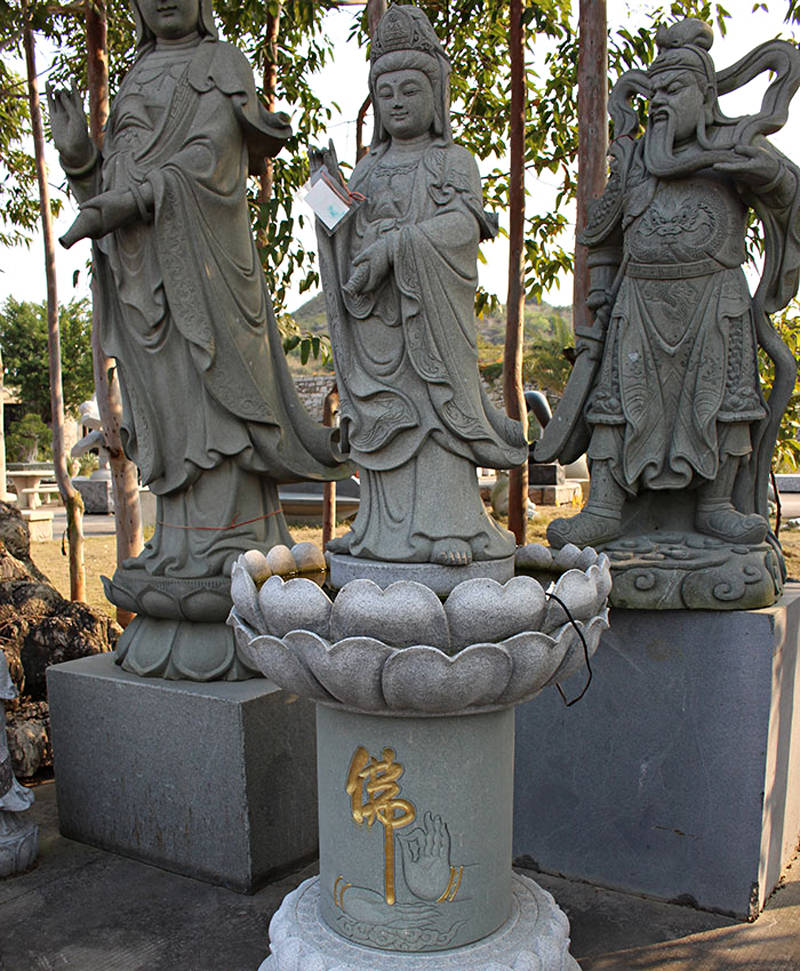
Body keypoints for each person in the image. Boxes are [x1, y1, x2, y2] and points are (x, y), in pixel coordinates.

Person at [49, 0, 344, 583]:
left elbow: (208, 161)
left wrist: (127, 202)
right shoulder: (134, 76)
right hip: (143, 279)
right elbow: (110, 188)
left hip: (208, 271)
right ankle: (180, 542)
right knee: (170, 409)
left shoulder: (220, 64)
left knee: (219, 407)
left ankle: (240, 541)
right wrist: (81, 157)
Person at [539, 19, 800, 551]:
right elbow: (604, 238)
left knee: (726, 402)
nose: (660, 102)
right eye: (654, 92)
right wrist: (598, 304)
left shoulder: (732, 151)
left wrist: (768, 176)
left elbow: (790, 199)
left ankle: (717, 504)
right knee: (614, 403)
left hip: (715, 303)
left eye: (674, 90)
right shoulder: (636, 162)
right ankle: (607, 506)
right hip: (637, 305)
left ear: (706, 98)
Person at [315, 4, 527, 567]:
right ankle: (378, 529)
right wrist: (324, 191)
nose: (398, 102)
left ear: (437, 97)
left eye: (411, 89)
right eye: (386, 94)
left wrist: (397, 246)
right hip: (380, 323)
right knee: (389, 418)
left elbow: (462, 227)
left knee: (435, 416)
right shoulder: (367, 169)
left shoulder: (454, 161)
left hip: (431, 316)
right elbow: (345, 232)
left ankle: (450, 525)